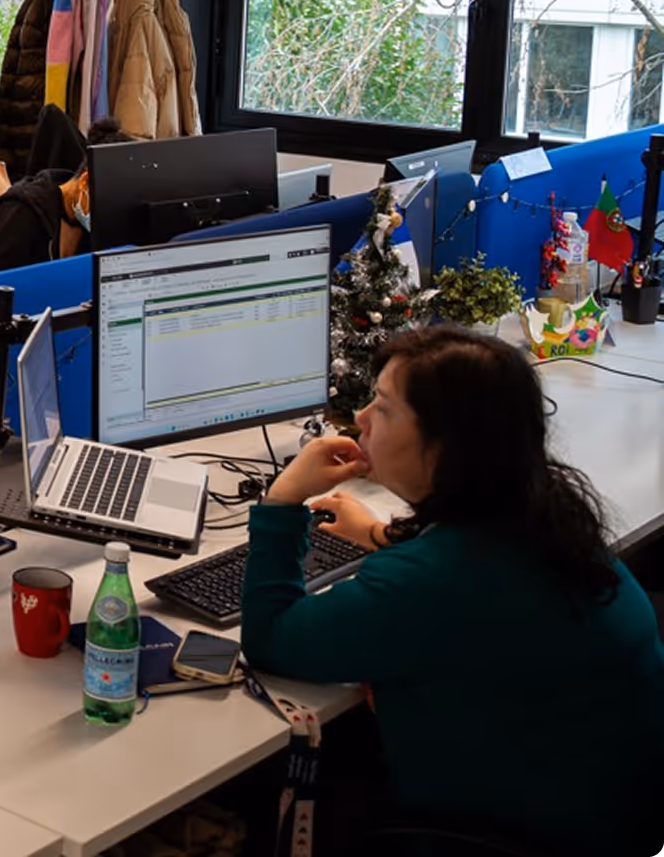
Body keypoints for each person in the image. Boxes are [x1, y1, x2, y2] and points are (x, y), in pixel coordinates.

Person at [243, 327, 664, 856]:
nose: (361, 418)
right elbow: (477, 583)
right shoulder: (553, 520)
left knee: (255, 789)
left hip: (514, 836)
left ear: (445, 446)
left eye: (384, 407)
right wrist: (382, 534)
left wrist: (283, 500)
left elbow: (269, 637)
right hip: (610, 819)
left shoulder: (423, 584)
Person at [0, 111, 130, 276]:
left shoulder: (90, 232)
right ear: (84, 182)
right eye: (106, 204)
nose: (107, 214)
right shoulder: (21, 212)